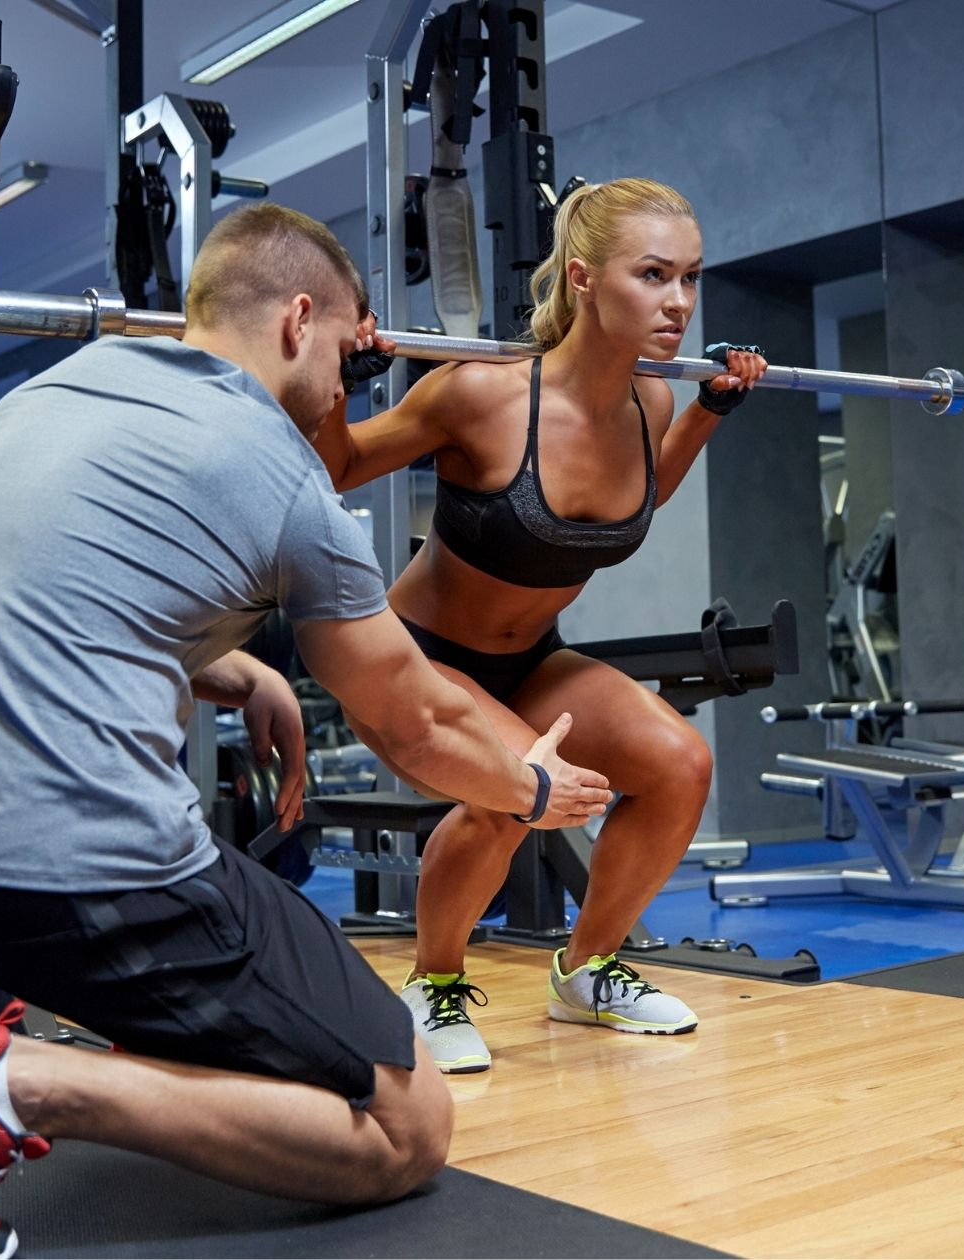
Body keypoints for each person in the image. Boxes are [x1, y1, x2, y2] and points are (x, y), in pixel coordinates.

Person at [0, 203, 613, 1260]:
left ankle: (24, 1051)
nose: (353, 383)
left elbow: (56, 592)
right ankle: (8, 1084)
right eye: (350, 347)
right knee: (405, 1125)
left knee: (277, 1013)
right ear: (299, 320)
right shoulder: (282, 475)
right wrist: (528, 791)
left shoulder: (46, 396)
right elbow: (414, 719)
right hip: (86, 882)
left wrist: (242, 670)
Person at [313, 178, 768, 1073]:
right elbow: (339, 466)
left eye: (689, 278)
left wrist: (712, 407)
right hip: (414, 659)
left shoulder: (653, 403)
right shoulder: (479, 395)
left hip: (532, 661)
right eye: (652, 275)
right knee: (518, 789)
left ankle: (587, 970)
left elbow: (642, 492)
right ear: (585, 278)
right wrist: (337, 381)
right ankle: (433, 984)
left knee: (679, 766)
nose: (678, 302)